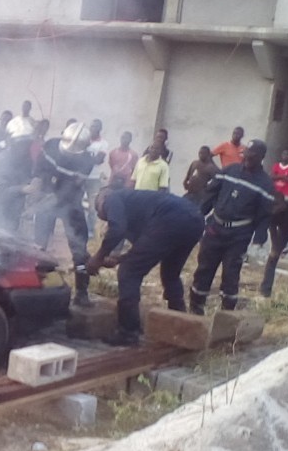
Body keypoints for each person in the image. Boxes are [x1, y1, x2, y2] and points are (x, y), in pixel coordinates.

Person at [87, 188, 205, 345]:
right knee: (170, 273)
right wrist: (119, 259)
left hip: (171, 218)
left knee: (128, 272)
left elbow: (117, 229)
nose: (99, 215)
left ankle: (128, 332)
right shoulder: (135, 206)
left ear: (102, 198)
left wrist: (98, 257)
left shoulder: (112, 197)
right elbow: (144, 249)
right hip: (194, 220)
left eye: (98, 209)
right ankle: (180, 322)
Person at [189, 139, 275, 314]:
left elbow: (264, 215)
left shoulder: (265, 184)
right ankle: (195, 308)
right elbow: (210, 194)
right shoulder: (229, 170)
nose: (247, 158)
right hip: (215, 228)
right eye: (246, 154)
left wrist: (258, 240)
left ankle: (226, 314)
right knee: (204, 268)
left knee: (231, 274)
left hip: (239, 235)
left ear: (261, 157)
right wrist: (198, 216)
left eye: (253, 155)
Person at [33, 122, 98, 306]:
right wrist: (40, 189)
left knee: (79, 248)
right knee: (39, 247)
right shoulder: (50, 146)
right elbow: (39, 170)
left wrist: (55, 199)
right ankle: (38, 288)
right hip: (46, 198)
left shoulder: (87, 161)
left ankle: (82, 293)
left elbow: (73, 187)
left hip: (71, 203)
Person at [85, 118, 110, 235]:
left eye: (95, 126)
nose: (92, 128)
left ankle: (91, 230)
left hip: (94, 178)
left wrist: (84, 159)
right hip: (80, 176)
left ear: (100, 129)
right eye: (91, 126)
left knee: (92, 206)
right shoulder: (84, 141)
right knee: (77, 204)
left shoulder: (103, 144)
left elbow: (99, 160)